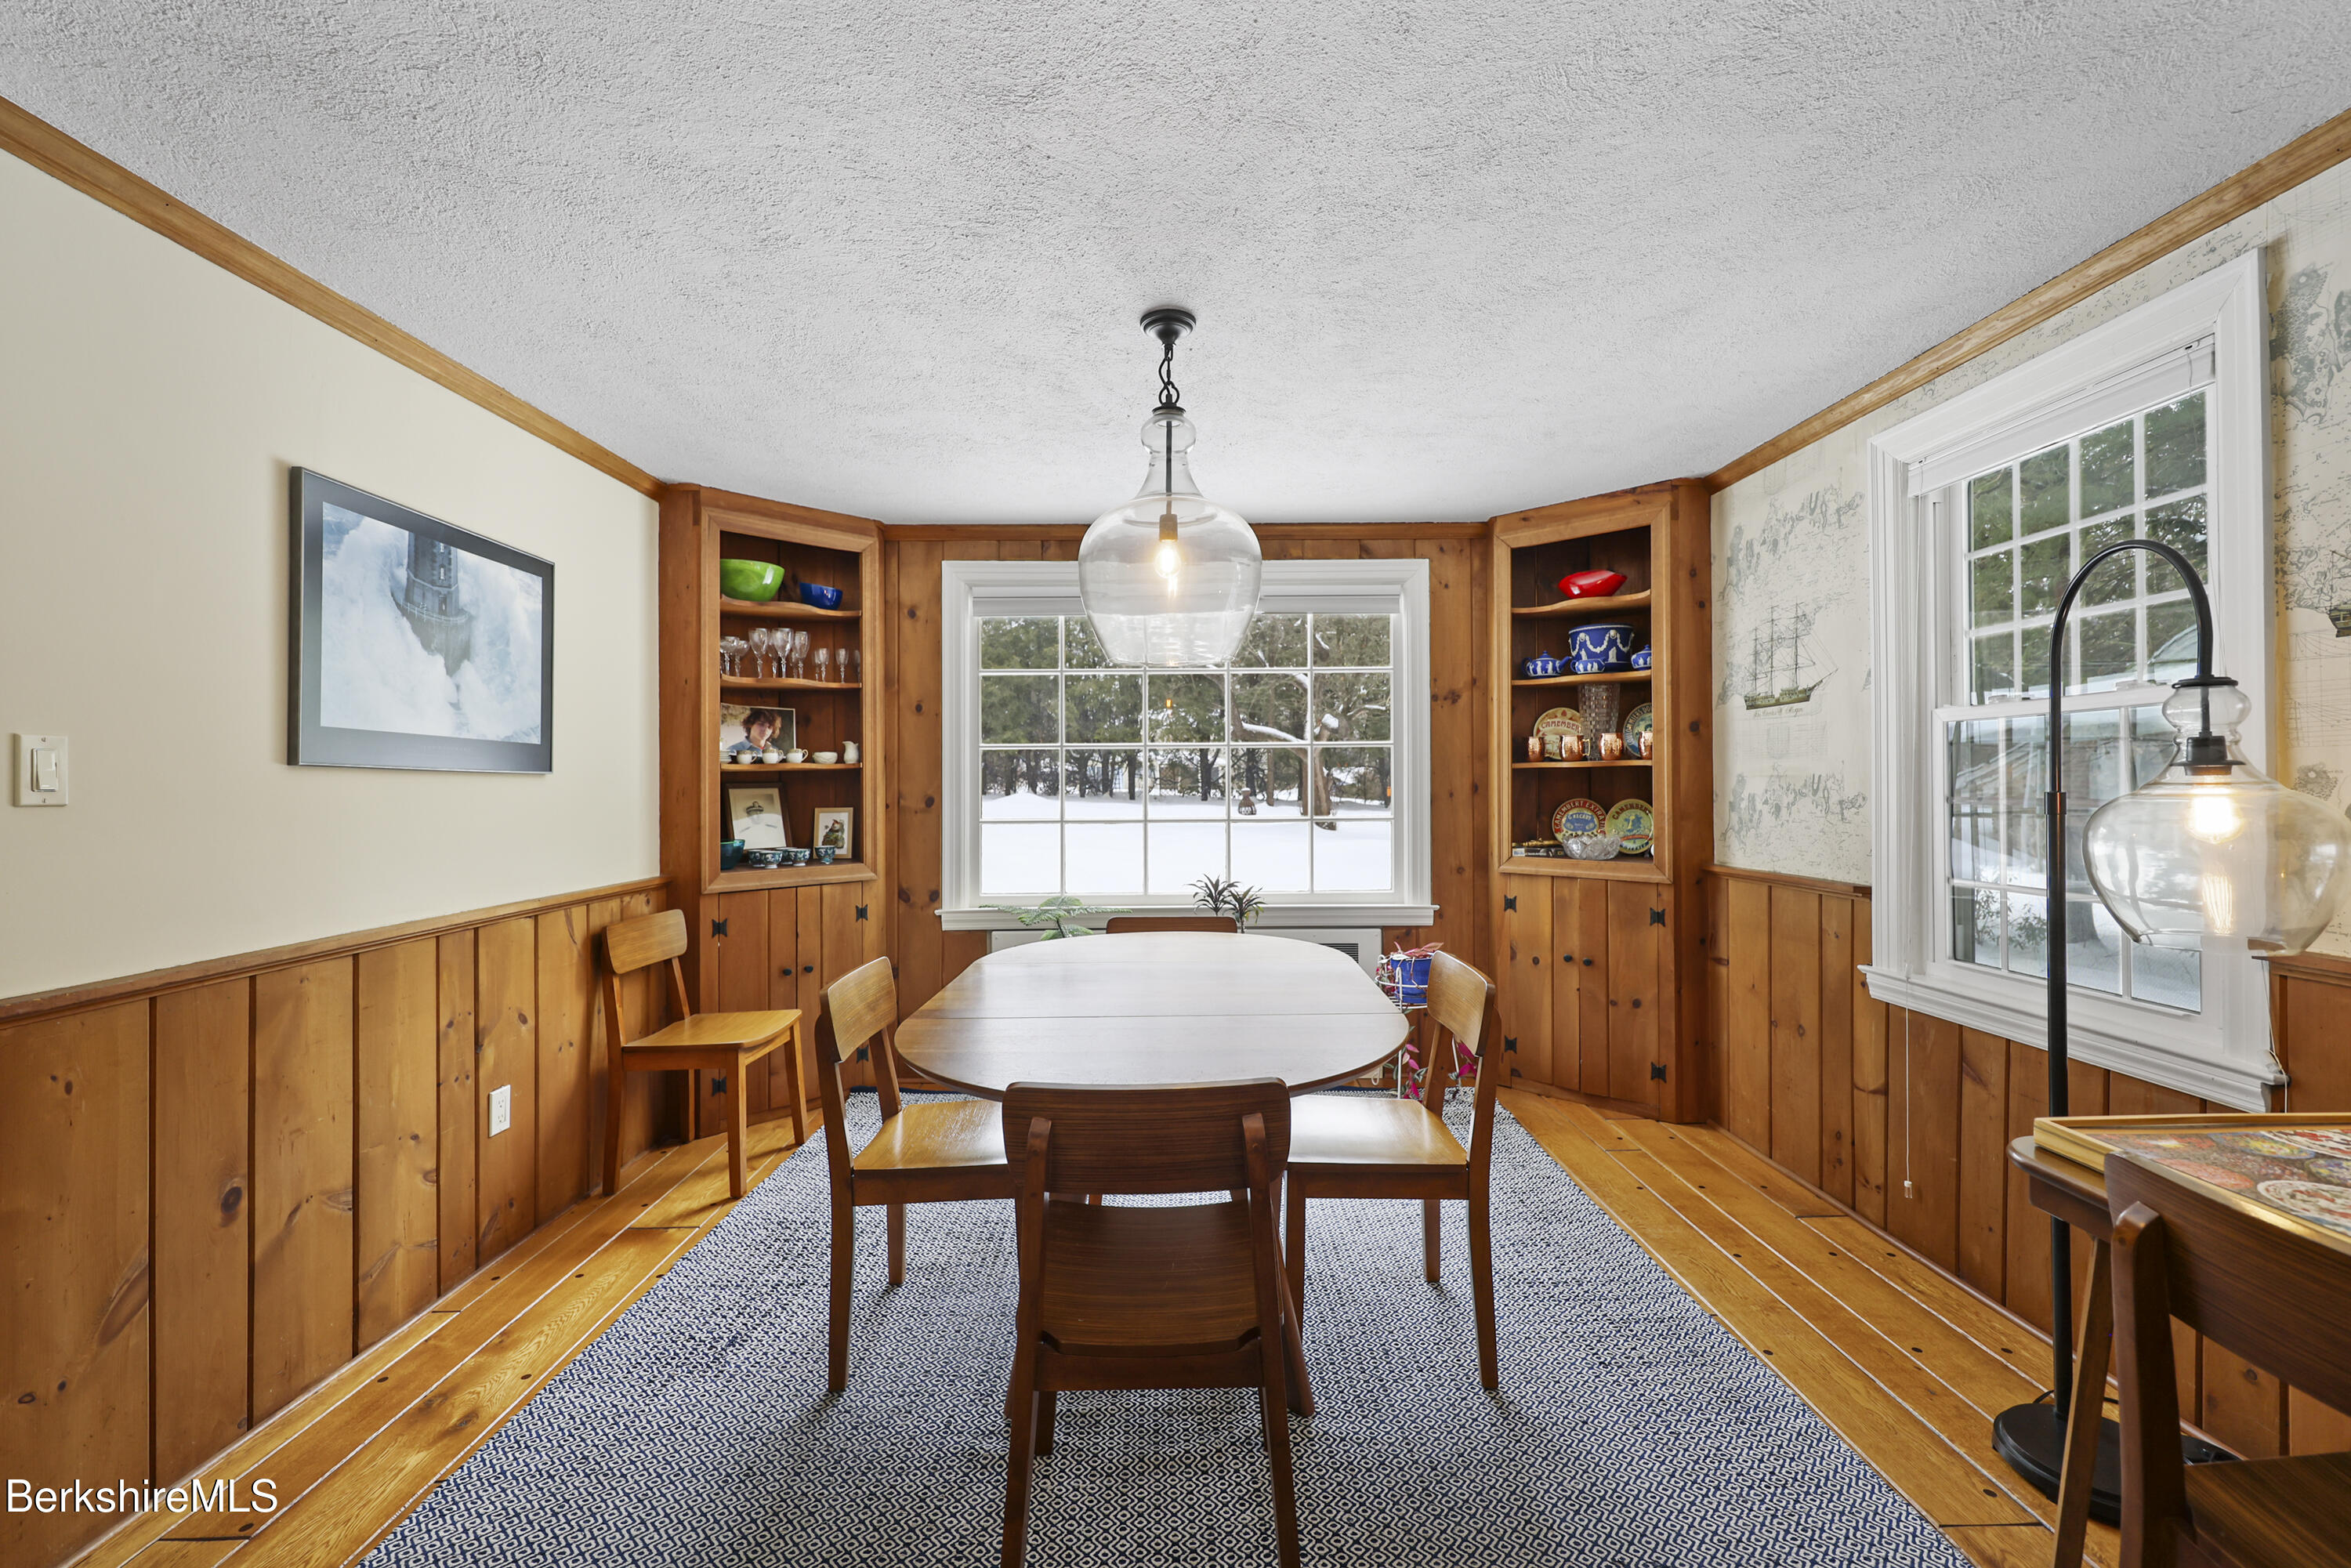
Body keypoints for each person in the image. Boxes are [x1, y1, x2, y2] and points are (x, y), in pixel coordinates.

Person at [724, 708, 788, 759]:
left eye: (769, 727)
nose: (765, 730)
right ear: (750, 724)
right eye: (761, 724)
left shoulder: (775, 751)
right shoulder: (733, 750)